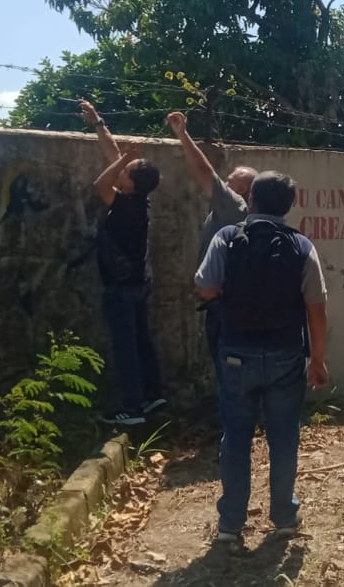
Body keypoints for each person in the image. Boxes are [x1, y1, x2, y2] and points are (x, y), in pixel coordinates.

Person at [193, 171, 329, 549]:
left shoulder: (227, 237)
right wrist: (317, 359)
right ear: (290, 205)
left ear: (250, 200)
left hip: (236, 352)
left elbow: (203, 284)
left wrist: (226, 295)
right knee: (284, 438)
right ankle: (284, 519)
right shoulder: (301, 246)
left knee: (236, 438)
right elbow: (316, 307)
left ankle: (230, 526)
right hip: (286, 356)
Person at [81, 100, 166, 426]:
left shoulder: (127, 205)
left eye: (125, 171)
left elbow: (99, 185)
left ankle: (131, 409)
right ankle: (153, 395)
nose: (120, 170)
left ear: (130, 181)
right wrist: (98, 122)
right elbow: (114, 156)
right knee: (142, 340)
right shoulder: (137, 200)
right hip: (138, 283)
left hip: (122, 287)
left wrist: (126, 159)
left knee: (126, 347)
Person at [164, 110, 255, 377]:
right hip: (231, 303)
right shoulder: (234, 211)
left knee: (228, 365)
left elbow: (205, 173)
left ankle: (235, 415)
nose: (225, 183)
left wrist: (182, 134)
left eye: (231, 182)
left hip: (224, 305)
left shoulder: (235, 207)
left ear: (244, 191)